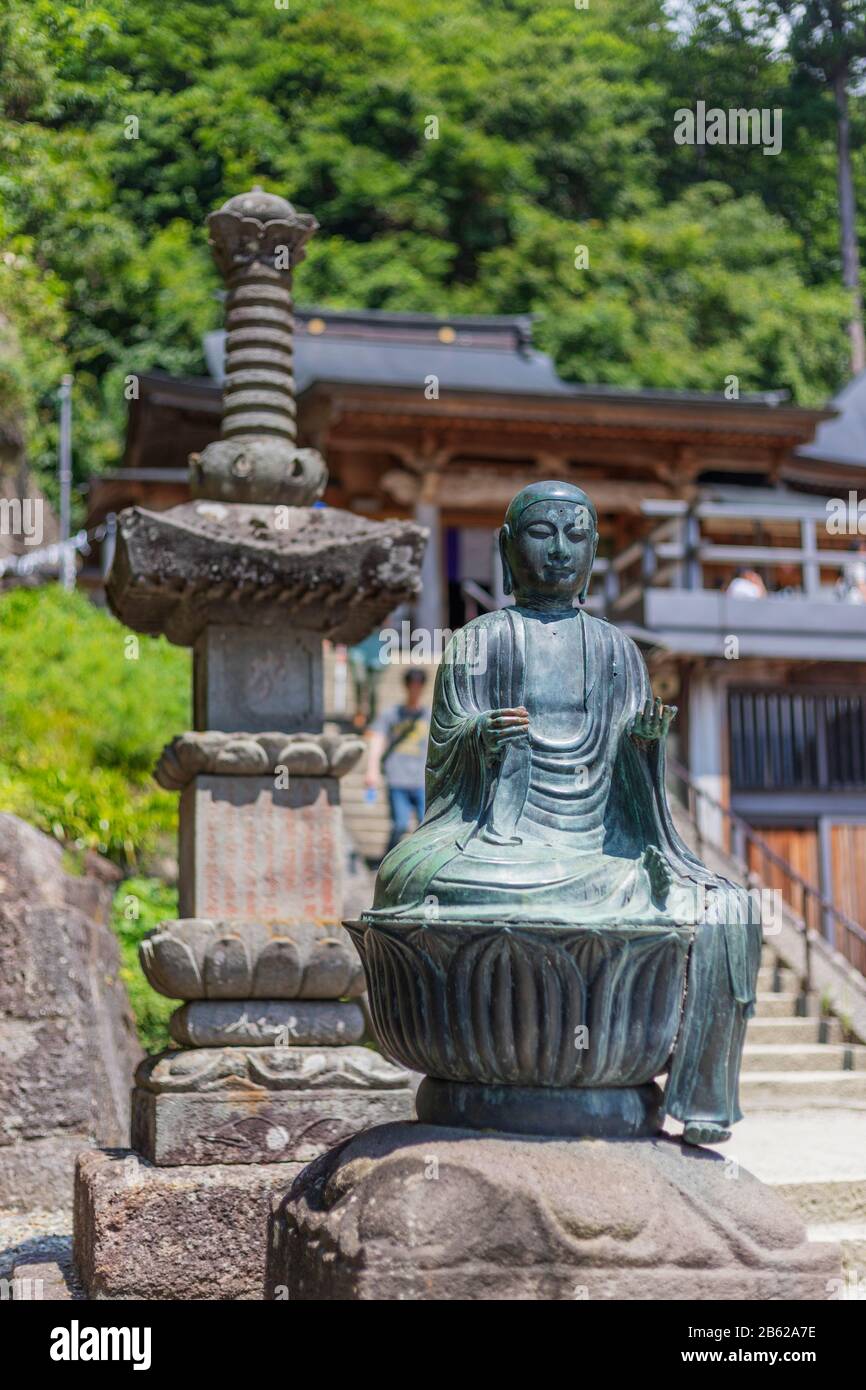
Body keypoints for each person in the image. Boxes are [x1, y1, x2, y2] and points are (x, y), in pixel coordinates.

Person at [367, 481, 761, 1147]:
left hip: (600, 852)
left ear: (595, 551)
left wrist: (644, 746)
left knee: (728, 906)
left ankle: (701, 1097)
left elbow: (635, 801)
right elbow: (443, 773)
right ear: (505, 546)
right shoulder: (478, 641)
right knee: (420, 884)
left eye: (576, 536)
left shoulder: (616, 651)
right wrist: (480, 741)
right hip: (497, 843)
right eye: (541, 533)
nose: (558, 550)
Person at [365, 668, 430, 853]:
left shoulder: (429, 715)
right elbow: (377, 738)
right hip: (397, 778)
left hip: (421, 780)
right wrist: (372, 769)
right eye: (412, 685)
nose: (415, 690)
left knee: (425, 825)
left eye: (419, 686)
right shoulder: (391, 714)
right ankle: (387, 861)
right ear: (406, 686)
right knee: (400, 824)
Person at [348, 631, 387, 728]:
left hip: (376, 642)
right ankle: (359, 712)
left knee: (373, 688)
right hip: (358, 641)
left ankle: (373, 718)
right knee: (359, 679)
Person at [837, 540, 866, 604]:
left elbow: (839, 580)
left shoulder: (847, 563)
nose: (864, 552)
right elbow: (861, 585)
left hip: (846, 597)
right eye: (863, 549)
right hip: (858, 599)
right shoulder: (859, 565)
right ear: (856, 550)